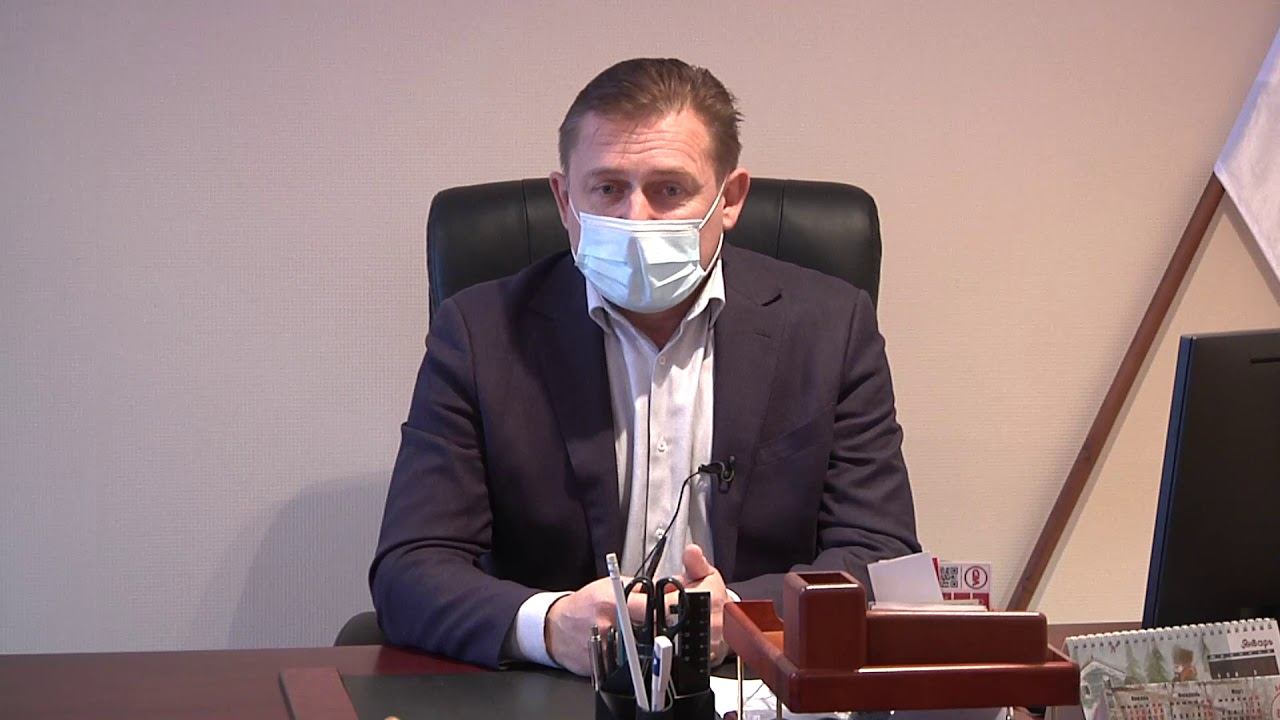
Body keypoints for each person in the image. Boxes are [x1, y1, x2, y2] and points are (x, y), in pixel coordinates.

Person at [370, 58, 919, 676]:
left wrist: (745, 616)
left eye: (669, 190)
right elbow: (410, 569)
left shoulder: (831, 327)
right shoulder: (480, 333)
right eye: (608, 189)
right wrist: (550, 625)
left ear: (730, 199)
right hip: (555, 687)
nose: (635, 219)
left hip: (750, 687)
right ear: (564, 200)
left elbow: (879, 553)